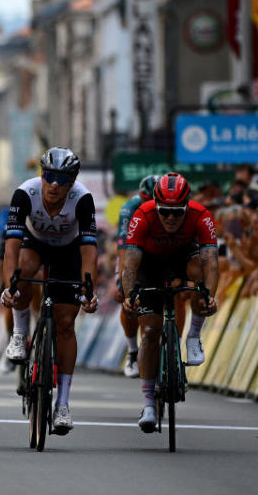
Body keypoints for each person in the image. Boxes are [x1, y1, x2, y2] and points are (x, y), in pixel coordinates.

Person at [0, 147, 99, 435]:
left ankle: (63, 405)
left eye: (62, 178)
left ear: (72, 180)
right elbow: (11, 249)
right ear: (41, 175)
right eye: (49, 176)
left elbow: (89, 250)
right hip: (35, 242)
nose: (54, 184)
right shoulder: (25, 194)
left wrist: (88, 289)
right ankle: (20, 334)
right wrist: (10, 287)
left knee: (66, 324)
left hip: (69, 251)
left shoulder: (83, 199)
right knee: (24, 273)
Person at [120, 172, 219, 433]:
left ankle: (194, 336)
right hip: (149, 264)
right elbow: (130, 265)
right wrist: (130, 294)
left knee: (200, 274)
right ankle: (149, 404)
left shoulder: (202, 215)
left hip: (183, 257)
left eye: (178, 212)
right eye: (165, 212)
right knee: (150, 332)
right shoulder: (142, 214)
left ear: (188, 206)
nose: (171, 218)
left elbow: (211, 262)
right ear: (155, 205)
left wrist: (210, 295)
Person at [115, 175, 159, 378]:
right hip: (135, 251)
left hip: (161, 251)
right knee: (127, 297)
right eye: (145, 202)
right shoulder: (129, 208)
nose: (149, 206)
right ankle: (133, 351)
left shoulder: (170, 208)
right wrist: (123, 281)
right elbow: (124, 251)